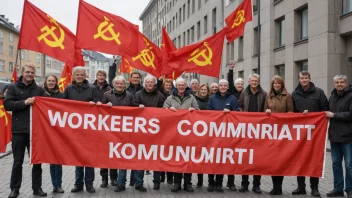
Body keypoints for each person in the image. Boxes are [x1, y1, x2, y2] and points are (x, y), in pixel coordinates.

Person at [5, 64, 48, 198]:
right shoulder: (13, 88)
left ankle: (37, 188)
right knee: (17, 162)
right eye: (27, 72)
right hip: (19, 131)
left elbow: (52, 101)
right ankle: (15, 189)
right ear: (22, 73)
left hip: (35, 131)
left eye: (32, 72)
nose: (30, 74)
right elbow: (8, 105)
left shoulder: (39, 89)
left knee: (36, 161)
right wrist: (24, 102)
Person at [291, 71, 328, 197]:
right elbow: (291, 112)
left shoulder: (319, 92)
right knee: (299, 160)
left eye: (306, 78)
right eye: (302, 78)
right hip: (300, 134)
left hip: (315, 133)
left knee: (314, 159)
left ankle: (314, 188)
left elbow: (325, 109)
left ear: (309, 78)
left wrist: (313, 115)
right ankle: (301, 187)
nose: (304, 80)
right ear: (299, 79)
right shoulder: (294, 93)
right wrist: (300, 115)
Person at [97, 76, 135, 193]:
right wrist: (101, 105)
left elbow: (134, 111)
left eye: (121, 83)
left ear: (125, 85)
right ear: (114, 84)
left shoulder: (129, 95)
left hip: (124, 131)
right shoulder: (107, 95)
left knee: (121, 156)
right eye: (117, 83)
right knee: (106, 155)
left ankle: (118, 181)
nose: (119, 85)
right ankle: (104, 178)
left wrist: (139, 108)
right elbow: (100, 109)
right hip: (109, 131)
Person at [63, 66, 96, 194]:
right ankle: (78, 184)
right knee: (78, 157)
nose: (80, 76)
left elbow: (99, 104)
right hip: (75, 130)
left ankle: (89, 184)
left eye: (82, 74)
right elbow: (61, 106)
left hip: (89, 129)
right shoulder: (68, 89)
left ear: (85, 75)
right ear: (74, 75)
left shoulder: (92, 89)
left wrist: (96, 103)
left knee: (88, 158)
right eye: (77, 74)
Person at [164, 78, 199, 192]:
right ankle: (177, 183)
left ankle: (188, 183)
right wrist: (169, 109)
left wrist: (193, 110)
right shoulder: (170, 98)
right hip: (174, 133)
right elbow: (163, 110)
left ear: (185, 86)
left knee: (188, 158)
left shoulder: (191, 98)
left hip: (188, 134)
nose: (181, 87)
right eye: (179, 85)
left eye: (183, 85)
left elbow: (198, 110)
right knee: (177, 159)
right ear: (176, 86)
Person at [132, 75, 166, 191]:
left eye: (151, 82)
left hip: (156, 132)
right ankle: (138, 183)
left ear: (154, 84)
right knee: (141, 159)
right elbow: (133, 107)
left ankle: (156, 182)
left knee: (156, 158)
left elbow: (163, 111)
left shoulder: (160, 96)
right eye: (148, 82)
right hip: (141, 132)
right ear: (145, 83)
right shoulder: (138, 95)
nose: (149, 84)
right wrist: (138, 107)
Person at [207, 79, 239, 193]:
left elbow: (237, 113)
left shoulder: (233, 98)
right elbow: (208, 112)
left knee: (221, 158)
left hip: (227, 134)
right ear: (218, 87)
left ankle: (219, 183)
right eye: (221, 85)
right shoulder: (212, 98)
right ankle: (211, 183)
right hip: (214, 133)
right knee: (212, 158)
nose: (223, 87)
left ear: (228, 87)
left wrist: (230, 113)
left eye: (225, 85)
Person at [264, 75, 294, 195]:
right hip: (271, 132)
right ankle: (274, 186)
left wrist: (284, 118)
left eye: (278, 83)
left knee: (281, 160)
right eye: (275, 83)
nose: (276, 85)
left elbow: (291, 110)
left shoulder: (288, 96)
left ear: (282, 84)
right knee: (272, 160)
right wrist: (266, 111)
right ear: (272, 85)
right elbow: (264, 109)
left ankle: (279, 186)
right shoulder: (268, 96)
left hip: (283, 131)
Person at [238, 73, 266, 194]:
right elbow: (240, 105)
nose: (254, 82)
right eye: (252, 81)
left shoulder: (264, 94)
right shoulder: (244, 93)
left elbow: (266, 108)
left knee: (257, 158)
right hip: (246, 129)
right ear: (249, 82)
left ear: (258, 82)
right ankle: (244, 184)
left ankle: (256, 185)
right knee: (245, 158)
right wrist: (243, 115)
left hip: (259, 129)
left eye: (256, 81)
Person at [325, 75, 352, 198]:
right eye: (337, 82)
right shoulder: (332, 97)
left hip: (348, 137)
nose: (339, 84)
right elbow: (325, 112)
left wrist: (334, 115)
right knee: (336, 164)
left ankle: (350, 189)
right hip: (334, 136)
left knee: (349, 165)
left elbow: (350, 114)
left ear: (346, 83)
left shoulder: (351, 96)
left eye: (341, 82)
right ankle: (338, 189)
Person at [92, 70, 116, 188]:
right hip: (97, 124)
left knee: (113, 153)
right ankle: (104, 179)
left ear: (105, 77)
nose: (100, 77)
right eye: (99, 75)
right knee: (103, 154)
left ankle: (113, 178)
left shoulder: (110, 89)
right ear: (96, 76)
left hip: (111, 125)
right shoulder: (91, 88)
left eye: (103, 75)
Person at [43, 75, 65, 194]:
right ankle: (53, 184)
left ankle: (59, 185)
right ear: (46, 82)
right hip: (45, 130)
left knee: (58, 159)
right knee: (52, 159)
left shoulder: (61, 95)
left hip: (59, 131)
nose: (51, 83)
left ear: (56, 82)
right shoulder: (40, 94)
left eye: (53, 81)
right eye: (49, 81)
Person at [126, 71, 143, 185]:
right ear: (130, 79)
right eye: (134, 77)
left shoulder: (143, 90)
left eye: (137, 77)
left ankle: (136, 181)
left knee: (139, 155)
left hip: (141, 127)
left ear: (140, 79)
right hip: (128, 126)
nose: (136, 79)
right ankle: (126, 180)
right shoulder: (126, 90)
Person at [194, 84, 210, 188]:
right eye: (202, 89)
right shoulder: (194, 99)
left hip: (209, 132)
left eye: (205, 90)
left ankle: (210, 181)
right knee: (199, 156)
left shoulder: (211, 99)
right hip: (197, 132)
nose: (203, 91)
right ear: (199, 90)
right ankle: (199, 181)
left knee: (209, 157)